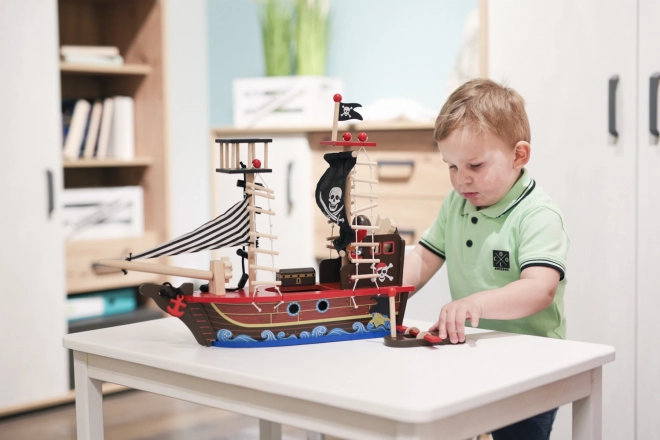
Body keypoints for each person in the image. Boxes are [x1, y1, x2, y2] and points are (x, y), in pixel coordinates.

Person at [402, 78, 569, 440]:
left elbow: (540, 290)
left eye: (475, 165)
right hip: (473, 355)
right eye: (451, 166)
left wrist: (473, 303)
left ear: (518, 155)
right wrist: (385, 290)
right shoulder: (457, 204)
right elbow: (422, 259)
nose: (461, 180)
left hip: (531, 364)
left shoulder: (537, 214)